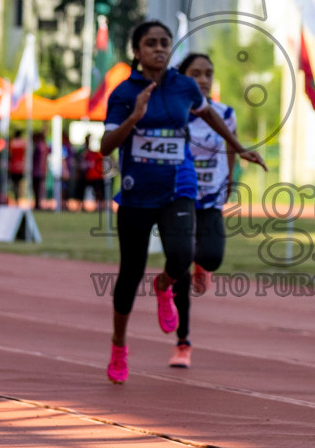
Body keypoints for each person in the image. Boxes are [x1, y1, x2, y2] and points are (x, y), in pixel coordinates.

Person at [99, 21, 266, 383]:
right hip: (137, 191)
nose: (159, 48)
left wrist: (238, 148)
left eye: (165, 43)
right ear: (137, 52)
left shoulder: (184, 86)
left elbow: (211, 116)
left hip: (179, 185)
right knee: (130, 272)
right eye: (151, 43)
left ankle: (164, 286)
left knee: (182, 255)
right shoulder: (125, 92)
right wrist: (135, 116)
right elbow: (106, 146)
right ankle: (119, 345)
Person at [172, 52, 237, 369]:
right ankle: (183, 342)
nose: (203, 80)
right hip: (178, 199)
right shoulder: (173, 113)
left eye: (208, 73)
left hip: (211, 199)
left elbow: (231, 145)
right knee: (179, 267)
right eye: (196, 74)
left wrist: (231, 179)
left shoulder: (225, 112)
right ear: (183, 77)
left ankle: (202, 263)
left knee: (211, 257)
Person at [82, 138, 106, 209]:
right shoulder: (87, 154)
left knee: (98, 192)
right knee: (87, 191)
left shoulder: (99, 154)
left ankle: (99, 206)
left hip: (97, 177)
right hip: (90, 176)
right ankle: (84, 206)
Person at [31, 130, 50, 210]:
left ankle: (38, 204)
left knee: (37, 188)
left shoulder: (39, 146)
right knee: (40, 188)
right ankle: (39, 203)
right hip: (42, 170)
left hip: (38, 171)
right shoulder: (45, 146)